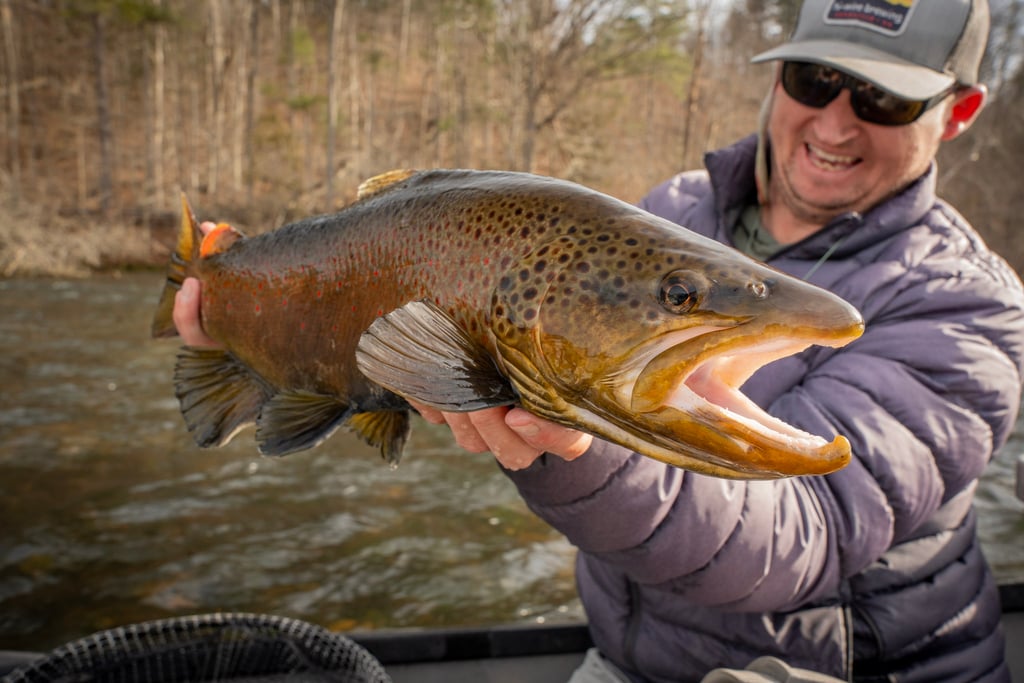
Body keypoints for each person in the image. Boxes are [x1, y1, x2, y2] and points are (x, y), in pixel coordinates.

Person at [173, 0, 1023, 680]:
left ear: (959, 112)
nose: (835, 123)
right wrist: (235, 306)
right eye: (815, 79)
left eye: (882, 98)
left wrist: (577, 448)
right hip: (628, 659)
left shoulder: (971, 307)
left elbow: (804, 534)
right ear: (778, 78)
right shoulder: (678, 209)